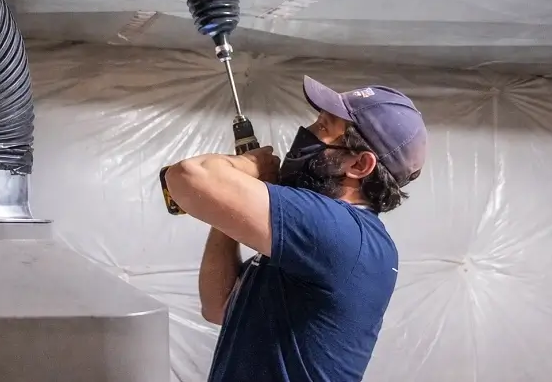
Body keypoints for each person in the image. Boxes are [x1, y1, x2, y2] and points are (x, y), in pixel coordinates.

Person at [163, 75, 428, 382]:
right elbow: (218, 306)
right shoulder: (331, 238)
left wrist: (248, 166)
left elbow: (188, 177)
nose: (308, 133)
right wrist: (228, 212)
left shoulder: (341, 232)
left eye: (324, 127)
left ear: (359, 166)